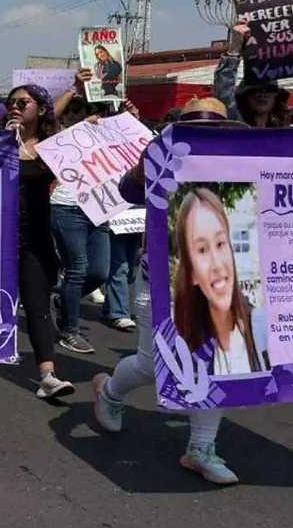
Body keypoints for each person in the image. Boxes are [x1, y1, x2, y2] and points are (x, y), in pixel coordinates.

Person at [94, 99, 254, 484]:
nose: (205, 136)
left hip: (221, 281)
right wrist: (150, 158)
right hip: (161, 281)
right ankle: (111, 392)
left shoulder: (243, 163)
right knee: (155, 363)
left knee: (217, 364)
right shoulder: (163, 160)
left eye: (213, 129)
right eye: (196, 128)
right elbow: (128, 191)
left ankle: (200, 448)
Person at [6, 84, 74, 399]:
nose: (15, 107)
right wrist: (5, 144)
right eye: (11, 102)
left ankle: (47, 375)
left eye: (23, 102)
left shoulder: (51, 147)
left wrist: (96, 127)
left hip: (35, 239)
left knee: (37, 305)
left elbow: (85, 151)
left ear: (39, 108)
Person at [172, 188, 269, 375]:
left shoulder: (261, 330)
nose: (217, 264)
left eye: (220, 243)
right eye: (202, 250)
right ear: (191, 272)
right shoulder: (181, 344)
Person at [48, 71, 111, 355]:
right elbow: (50, 117)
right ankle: (69, 331)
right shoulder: (56, 135)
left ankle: (65, 298)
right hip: (67, 206)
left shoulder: (103, 129)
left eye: (82, 110)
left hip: (100, 206)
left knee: (99, 272)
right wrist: (74, 88)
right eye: (72, 111)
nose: (78, 115)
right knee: (78, 268)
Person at [215, 24, 290, 129]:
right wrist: (234, 49)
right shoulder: (238, 126)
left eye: (268, 89)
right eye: (254, 90)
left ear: (277, 96)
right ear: (245, 96)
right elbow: (224, 91)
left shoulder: (284, 132)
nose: (261, 95)